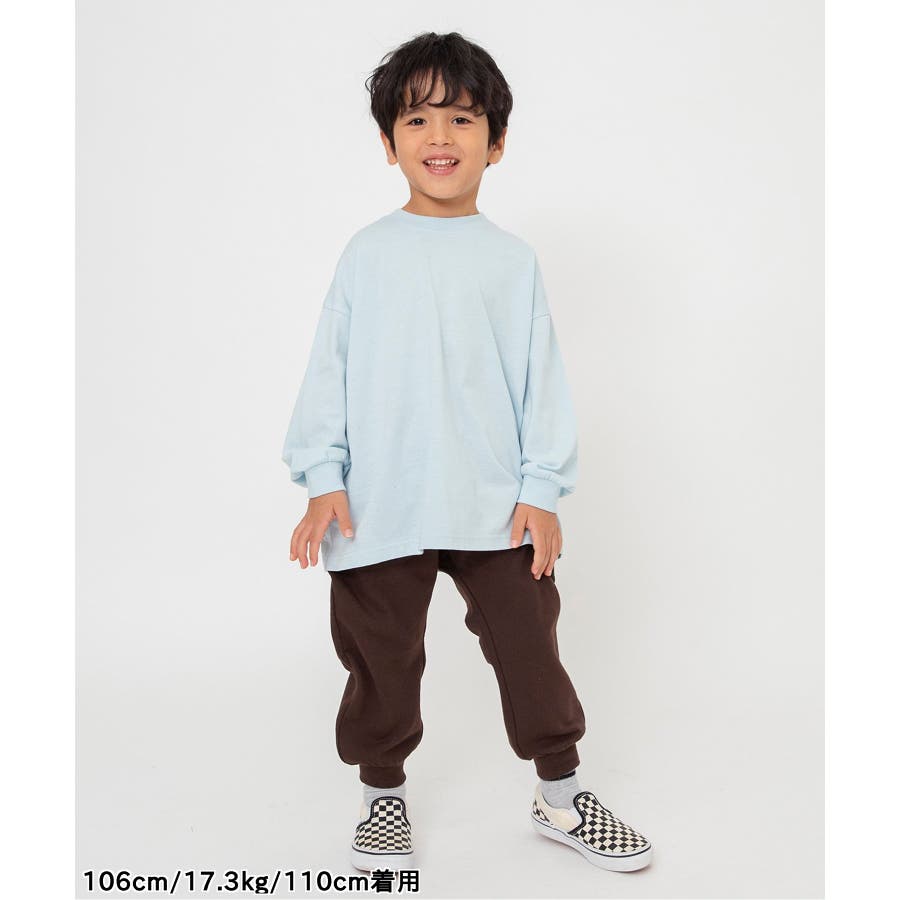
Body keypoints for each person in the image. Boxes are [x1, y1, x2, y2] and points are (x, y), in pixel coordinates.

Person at [281, 31, 652, 874]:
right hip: (379, 502)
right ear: (389, 143)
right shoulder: (367, 254)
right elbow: (329, 371)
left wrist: (541, 487)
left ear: (498, 140)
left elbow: (539, 381)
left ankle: (561, 796)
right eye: (417, 119)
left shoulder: (512, 263)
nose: (440, 137)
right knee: (380, 657)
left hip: (493, 503)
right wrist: (323, 478)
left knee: (530, 645)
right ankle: (382, 795)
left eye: (462, 117)